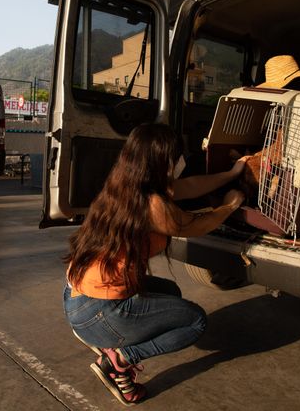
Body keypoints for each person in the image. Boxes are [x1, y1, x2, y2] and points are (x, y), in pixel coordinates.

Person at [62, 123, 249, 405]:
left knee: (169, 292)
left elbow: (189, 186)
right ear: (163, 161)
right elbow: (197, 225)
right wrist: (230, 205)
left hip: (77, 297)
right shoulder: (153, 205)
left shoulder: (124, 184)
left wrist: (232, 173)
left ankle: (109, 339)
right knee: (195, 321)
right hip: (99, 311)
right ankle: (120, 360)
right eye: (176, 157)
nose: (180, 163)